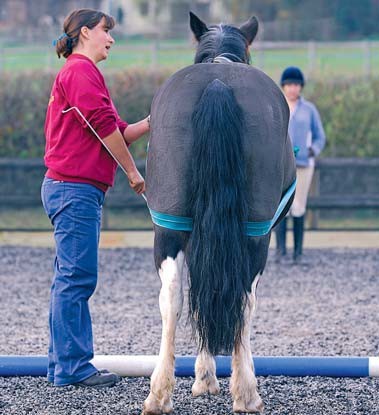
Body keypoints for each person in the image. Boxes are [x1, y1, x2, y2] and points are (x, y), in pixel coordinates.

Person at [41, 9, 150, 388]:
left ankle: (62, 366)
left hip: (71, 188)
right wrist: (134, 173)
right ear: (85, 32)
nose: (111, 38)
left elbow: (117, 128)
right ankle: (72, 367)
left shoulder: (82, 74)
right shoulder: (80, 72)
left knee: (68, 280)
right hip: (75, 189)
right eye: (106, 31)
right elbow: (104, 128)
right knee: (76, 279)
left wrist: (154, 122)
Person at [275, 66, 326, 263]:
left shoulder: (309, 110)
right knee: (282, 206)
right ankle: (280, 251)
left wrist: (312, 150)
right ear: (284, 86)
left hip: (304, 164)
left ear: (301, 87)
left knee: (298, 206)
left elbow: (320, 136)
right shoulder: (278, 106)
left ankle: (298, 252)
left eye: (296, 85)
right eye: (289, 85)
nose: (292, 88)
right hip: (281, 163)